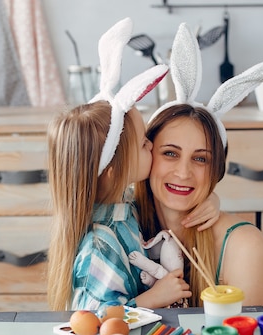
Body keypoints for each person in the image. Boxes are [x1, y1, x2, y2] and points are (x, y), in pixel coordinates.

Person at [46, 18, 219, 311]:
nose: (151, 144)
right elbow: (92, 323)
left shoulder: (124, 205)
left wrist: (210, 197)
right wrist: (153, 298)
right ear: (115, 167)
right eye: (143, 144)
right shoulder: (100, 245)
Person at [133, 23, 263, 307]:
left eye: (201, 159)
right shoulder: (122, 224)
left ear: (217, 170)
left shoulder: (244, 246)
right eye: (170, 153)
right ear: (148, 154)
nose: (184, 172)